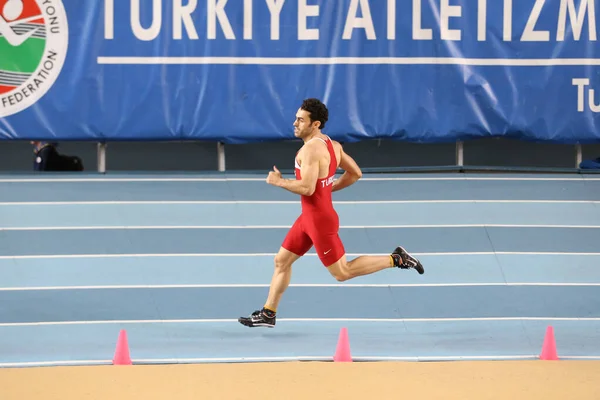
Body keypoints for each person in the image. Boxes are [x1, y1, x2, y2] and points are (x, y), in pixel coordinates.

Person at [238, 98, 424, 328]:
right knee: (281, 261)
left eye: (300, 120)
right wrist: (329, 187)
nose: (295, 123)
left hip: (319, 221)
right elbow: (355, 173)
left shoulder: (311, 150)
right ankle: (268, 313)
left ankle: (396, 259)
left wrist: (279, 182)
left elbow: (307, 187)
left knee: (342, 272)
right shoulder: (332, 145)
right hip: (308, 218)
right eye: (296, 118)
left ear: (315, 124)